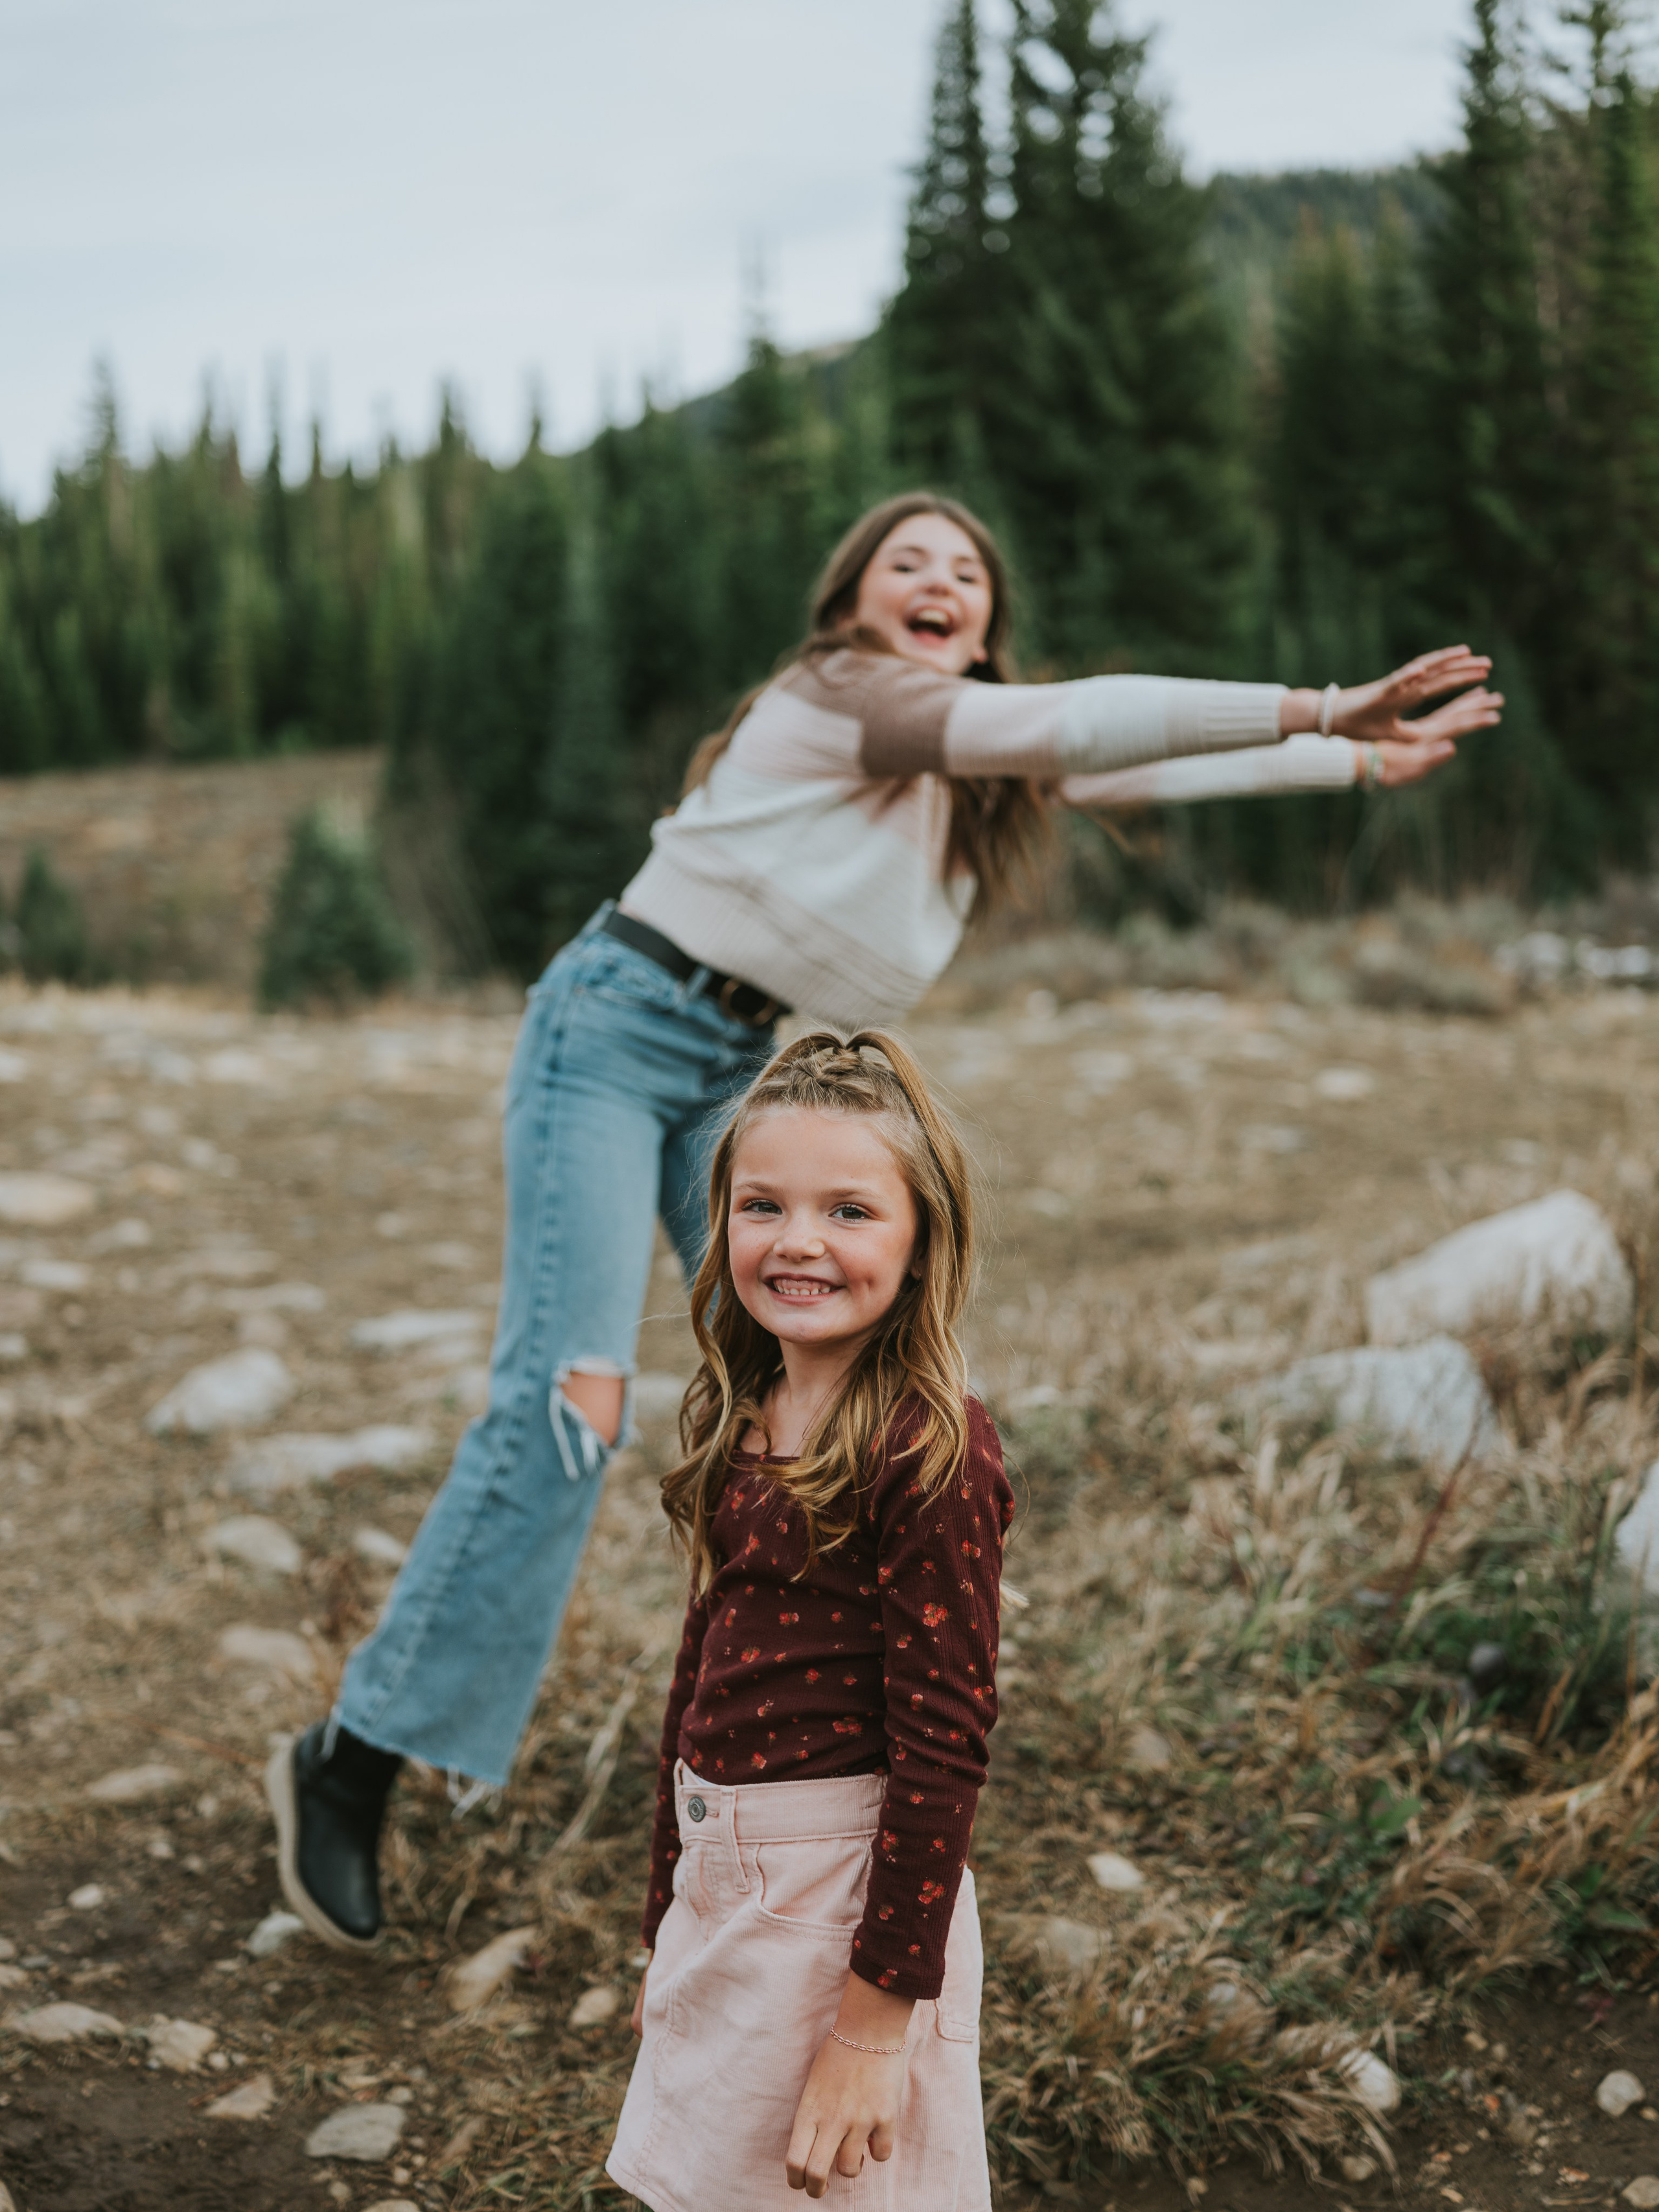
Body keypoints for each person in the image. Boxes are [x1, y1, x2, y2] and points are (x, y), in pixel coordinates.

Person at [264, 490, 1502, 1952]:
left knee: (833, 1389)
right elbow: (1082, 716)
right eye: (902, 562)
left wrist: (1349, 762)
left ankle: (784, 1738)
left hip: (741, 1071)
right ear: (852, 606)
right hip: (610, 1027)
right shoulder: (838, 700)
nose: (936, 581)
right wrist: (1323, 697)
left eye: (965, 572)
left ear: (984, 626)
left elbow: (1140, 765)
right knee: (571, 1409)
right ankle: (354, 1757)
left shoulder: (966, 779)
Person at [607, 1029, 1010, 2211]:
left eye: (849, 1210)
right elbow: (703, 1670)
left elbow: (943, 1746)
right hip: (724, 1878)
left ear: (924, 1240)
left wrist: (873, 2027)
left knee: (835, 2189)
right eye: (761, 1203)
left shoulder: (930, 1450)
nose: (797, 1241)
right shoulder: (749, 1407)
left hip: (842, 1898)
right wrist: (666, 1916)